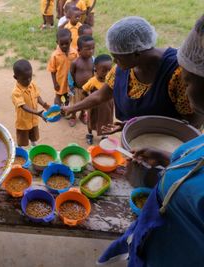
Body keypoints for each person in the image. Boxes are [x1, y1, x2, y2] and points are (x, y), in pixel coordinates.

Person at [98, 15, 204, 267]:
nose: (184, 87)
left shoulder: (170, 74)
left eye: (187, 81)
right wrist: (171, 159)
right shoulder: (193, 149)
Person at [63, 16, 201, 132]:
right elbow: (101, 95)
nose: (114, 61)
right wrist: (72, 108)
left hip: (169, 150)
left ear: (136, 53)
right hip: (137, 140)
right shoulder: (121, 70)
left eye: (118, 57)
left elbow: (191, 124)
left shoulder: (177, 74)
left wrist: (137, 127)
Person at [12, 59, 50, 147]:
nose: (28, 80)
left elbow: (37, 96)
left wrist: (44, 104)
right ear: (16, 77)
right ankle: (20, 148)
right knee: (22, 137)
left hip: (33, 119)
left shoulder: (32, 84)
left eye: (30, 77)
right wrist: (37, 113)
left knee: (33, 134)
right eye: (25, 79)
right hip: (23, 121)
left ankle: (33, 143)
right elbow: (23, 106)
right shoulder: (16, 92)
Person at [82, 54, 113, 144]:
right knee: (91, 121)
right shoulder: (92, 81)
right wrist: (89, 100)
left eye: (109, 70)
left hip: (107, 107)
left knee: (106, 121)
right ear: (95, 69)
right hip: (94, 107)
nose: (107, 73)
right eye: (104, 71)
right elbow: (84, 91)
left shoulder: (111, 80)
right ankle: (90, 134)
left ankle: (104, 136)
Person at [68, 35, 95, 126]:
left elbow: (94, 73)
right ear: (79, 50)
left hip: (87, 89)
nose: (91, 51)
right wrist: (71, 85)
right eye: (88, 49)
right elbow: (71, 74)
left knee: (85, 103)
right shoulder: (75, 62)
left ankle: (83, 114)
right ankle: (73, 116)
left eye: (92, 48)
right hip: (77, 88)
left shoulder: (93, 60)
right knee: (75, 103)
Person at [47, 29, 78, 108]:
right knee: (59, 96)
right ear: (57, 43)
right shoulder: (55, 55)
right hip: (60, 81)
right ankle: (57, 110)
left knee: (68, 96)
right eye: (62, 44)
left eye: (66, 43)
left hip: (71, 81)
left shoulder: (74, 53)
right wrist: (55, 83)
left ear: (71, 41)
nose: (64, 46)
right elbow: (52, 71)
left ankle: (65, 110)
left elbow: (77, 66)